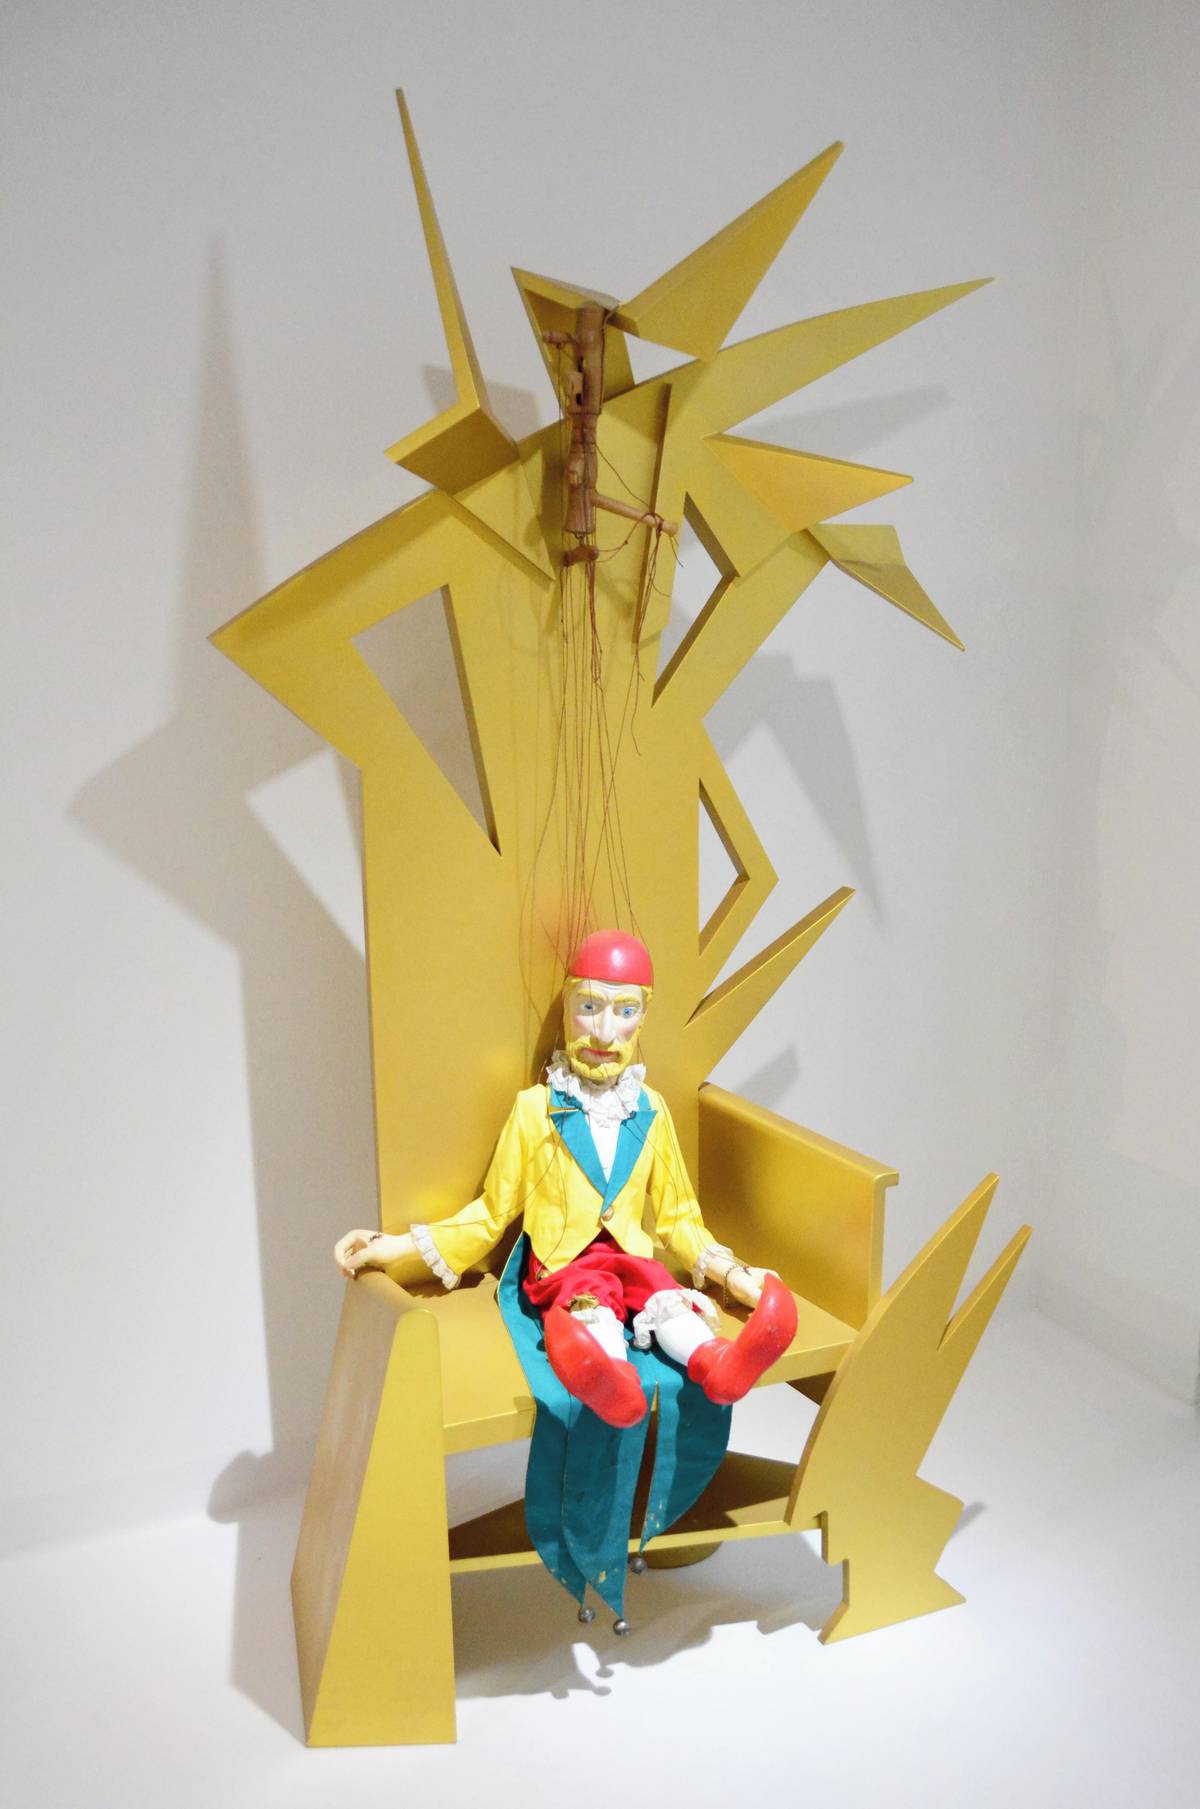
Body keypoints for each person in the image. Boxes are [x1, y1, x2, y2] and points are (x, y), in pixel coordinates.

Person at [335, 929, 796, 1427]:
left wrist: (734, 1275)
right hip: (564, 1267)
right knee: (590, 1309)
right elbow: (491, 1214)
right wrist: (395, 1247)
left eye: (624, 1011)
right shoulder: (535, 1110)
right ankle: (609, 1378)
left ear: (643, 1016)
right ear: (567, 1008)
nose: (604, 1033)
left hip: (632, 1259)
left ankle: (719, 1364)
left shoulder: (650, 1109)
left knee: (666, 1300)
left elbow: (679, 1218)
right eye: (589, 1007)